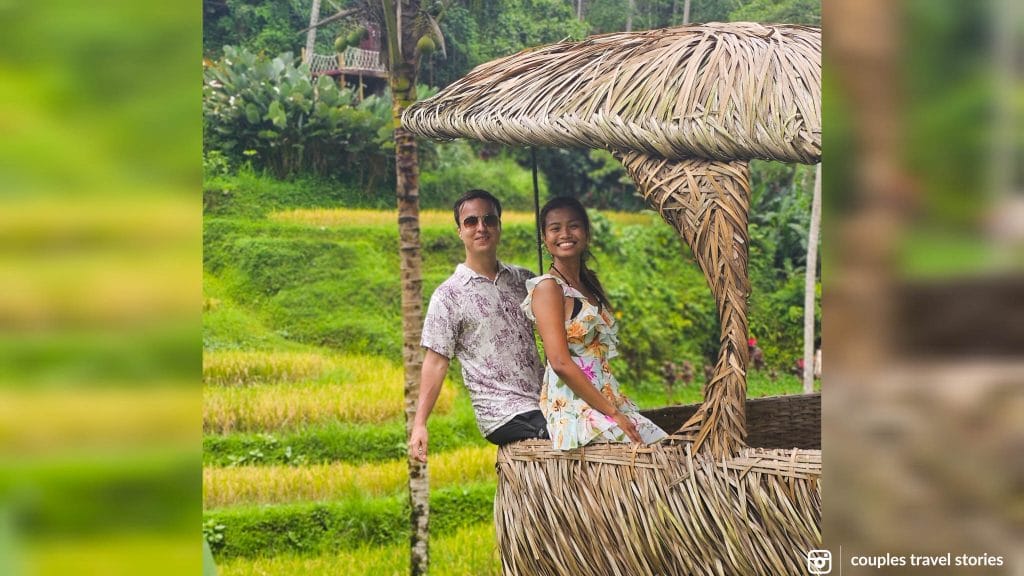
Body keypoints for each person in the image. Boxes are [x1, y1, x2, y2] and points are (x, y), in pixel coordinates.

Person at [409, 189, 548, 463]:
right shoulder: (448, 295)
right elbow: (436, 362)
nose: (481, 228)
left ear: (499, 226)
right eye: (471, 222)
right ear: (459, 231)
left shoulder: (525, 280)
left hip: (543, 400)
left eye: (489, 220)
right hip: (502, 412)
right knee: (555, 435)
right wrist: (420, 423)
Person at [522, 197, 668, 449]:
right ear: (545, 239)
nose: (565, 234)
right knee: (634, 450)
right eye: (555, 228)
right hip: (573, 403)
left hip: (604, 394)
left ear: (586, 233)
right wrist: (613, 414)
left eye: (574, 226)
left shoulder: (588, 283)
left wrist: (615, 408)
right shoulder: (548, 288)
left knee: (659, 445)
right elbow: (559, 362)